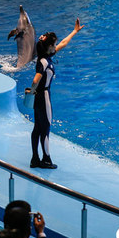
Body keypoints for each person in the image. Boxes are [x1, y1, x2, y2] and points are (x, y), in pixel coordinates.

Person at [29, 18, 84, 169]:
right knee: (45, 129)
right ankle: (46, 160)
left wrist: (74, 31)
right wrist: (32, 90)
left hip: (38, 97)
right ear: (48, 47)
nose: (55, 46)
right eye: (53, 44)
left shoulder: (44, 57)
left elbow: (63, 44)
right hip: (44, 96)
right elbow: (36, 79)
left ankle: (35, 159)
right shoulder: (44, 62)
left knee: (37, 128)